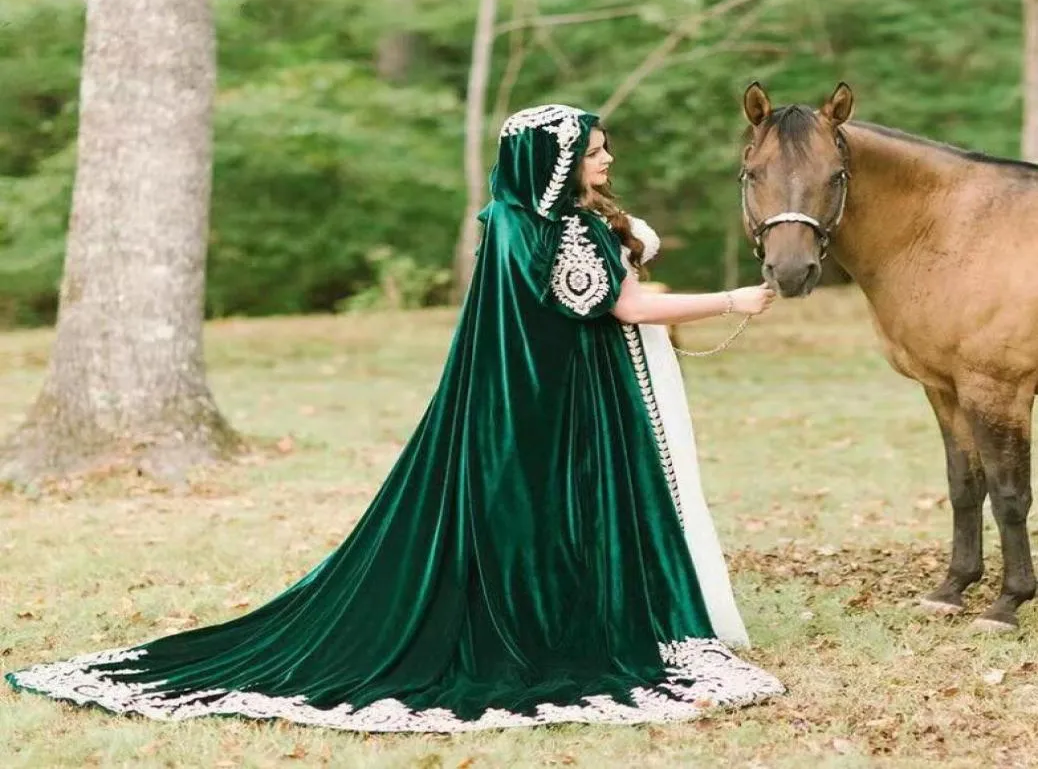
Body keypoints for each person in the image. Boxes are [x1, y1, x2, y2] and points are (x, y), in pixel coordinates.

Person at [5, 104, 782, 732]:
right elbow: (627, 307)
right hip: (567, 400)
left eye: (604, 151)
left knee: (531, 519)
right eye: (594, 153)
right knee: (563, 514)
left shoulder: (510, 221)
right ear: (555, 163)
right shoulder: (564, 229)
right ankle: (561, 626)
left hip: (512, 399)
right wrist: (733, 299)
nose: (606, 162)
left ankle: (555, 609)